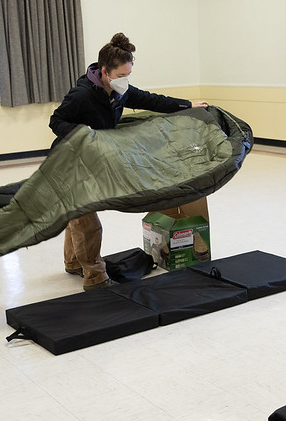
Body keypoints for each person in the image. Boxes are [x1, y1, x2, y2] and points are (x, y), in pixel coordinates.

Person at [49, 32, 209, 291]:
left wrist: (188, 105)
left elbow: (152, 100)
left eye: (128, 75)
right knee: (88, 222)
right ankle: (95, 278)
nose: (125, 81)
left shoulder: (119, 92)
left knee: (78, 215)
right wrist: (79, 130)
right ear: (105, 71)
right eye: (121, 76)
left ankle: (73, 262)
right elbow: (55, 121)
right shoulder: (81, 95)